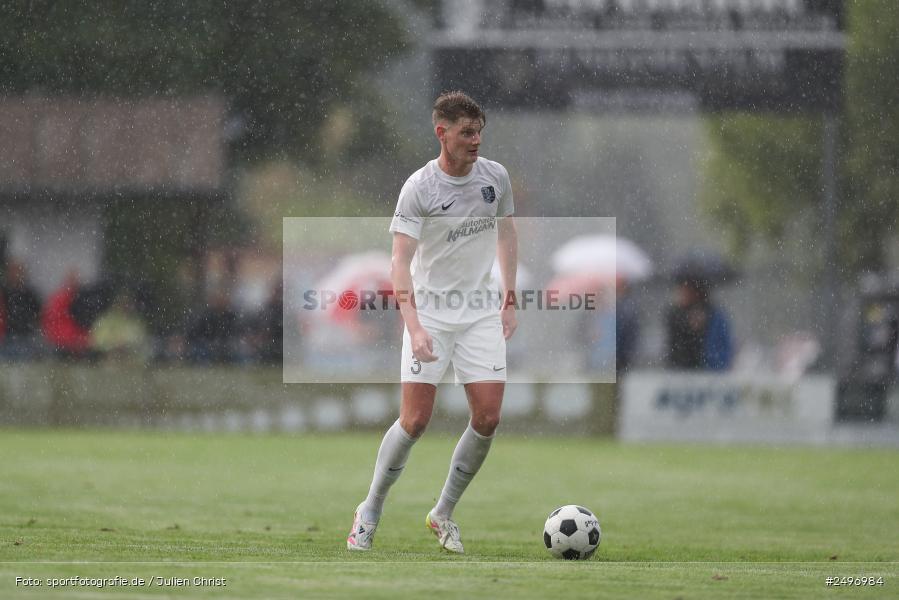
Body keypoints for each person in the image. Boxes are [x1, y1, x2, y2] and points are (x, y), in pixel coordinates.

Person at [347, 91, 518, 554]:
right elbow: (399, 263)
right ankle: (370, 509)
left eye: (479, 132)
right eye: (466, 132)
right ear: (442, 133)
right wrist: (415, 325)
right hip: (431, 315)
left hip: (480, 313)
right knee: (415, 420)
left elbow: (507, 235)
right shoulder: (419, 188)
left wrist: (509, 298)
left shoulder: (495, 178)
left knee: (488, 417)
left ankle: (443, 513)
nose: (476, 140)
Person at [666, 278, 732, 370]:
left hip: (706, 370)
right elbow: (675, 346)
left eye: (686, 290)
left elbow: (720, 347)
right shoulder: (675, 314)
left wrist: (700, 329)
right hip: (681, 369)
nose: (682, 295)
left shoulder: (714, 315)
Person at [0, 260, 43, 360]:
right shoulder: (5, 291)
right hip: (8, 334)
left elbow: (38, 311)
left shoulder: (30, 293)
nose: (16, 275)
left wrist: (31, 323)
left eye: (18, 272)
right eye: (14, 272)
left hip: (26, 334)